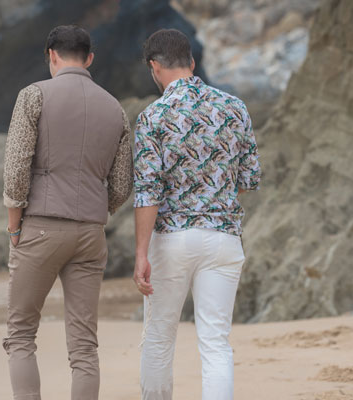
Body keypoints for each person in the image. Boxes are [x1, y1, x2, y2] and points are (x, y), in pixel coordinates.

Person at [2, 25, 133, 400]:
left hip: (41, 227)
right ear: (89, 58)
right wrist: (96, 209)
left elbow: (16, 171)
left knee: (21, 334)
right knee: (84, 346)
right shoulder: (115, 109)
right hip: (91, 233)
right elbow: (121, 185)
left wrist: (14, 227)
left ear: (51, 55)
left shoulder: (33, 95)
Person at [132, 29, 261, 400]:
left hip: (171, 239)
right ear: (191, 61)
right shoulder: (234, 107)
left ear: (154, 67)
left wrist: (141, 253)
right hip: (223, 239)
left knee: (159, 337)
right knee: (216, 342)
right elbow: (249, 178)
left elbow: (148, 191)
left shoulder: (154, 116)